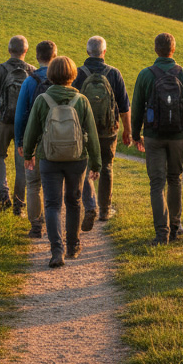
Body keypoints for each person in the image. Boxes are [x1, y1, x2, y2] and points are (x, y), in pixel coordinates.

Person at [22, 56, 102, 268]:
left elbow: (31, 131)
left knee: (52, 204)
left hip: (49, 158)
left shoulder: (42, 100)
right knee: (74, 202)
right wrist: (96, 164)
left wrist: (28, 154)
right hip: (77, 159)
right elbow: (92, 135)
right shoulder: (81, 101)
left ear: (51, 75)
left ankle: (57, 251)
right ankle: (73, 246)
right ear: (73, 75)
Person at [131, 32, 183, 245]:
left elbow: (137, 107)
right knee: (175, 179)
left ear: (155, 49)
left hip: (153, 136)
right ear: (173, 49)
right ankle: (175, 227)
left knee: (157, 183)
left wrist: (136, 135)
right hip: (178, 136)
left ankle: (162, 233)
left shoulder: (145, 75)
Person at [72, 35, 132, 226]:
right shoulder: (114, 74)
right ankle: (105, 210)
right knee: (106, 167)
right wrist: (127, 131)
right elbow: (124, 107)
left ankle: (90, 206)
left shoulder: (77, 73)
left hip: (82, 130)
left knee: (84, 166)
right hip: (108, 130)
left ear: (87, 51)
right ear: (104, 52)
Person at [0, 35, 34, 213]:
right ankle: (19, 205)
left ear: (9, 50)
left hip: (2, 121)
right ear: (26, 51)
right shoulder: (32, 72)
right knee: (22, 164)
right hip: (24, 126)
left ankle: (3, 195)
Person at [14, 40, 57, 238]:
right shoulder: (63, 79)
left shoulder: (30, 81)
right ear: (55, 56)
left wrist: (20, 142)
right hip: (57, 140)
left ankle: (35, 226)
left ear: (37, 57)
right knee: (54, 183)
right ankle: (53, 221)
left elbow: (20, 115)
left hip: (35, 139)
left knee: (33, 184)